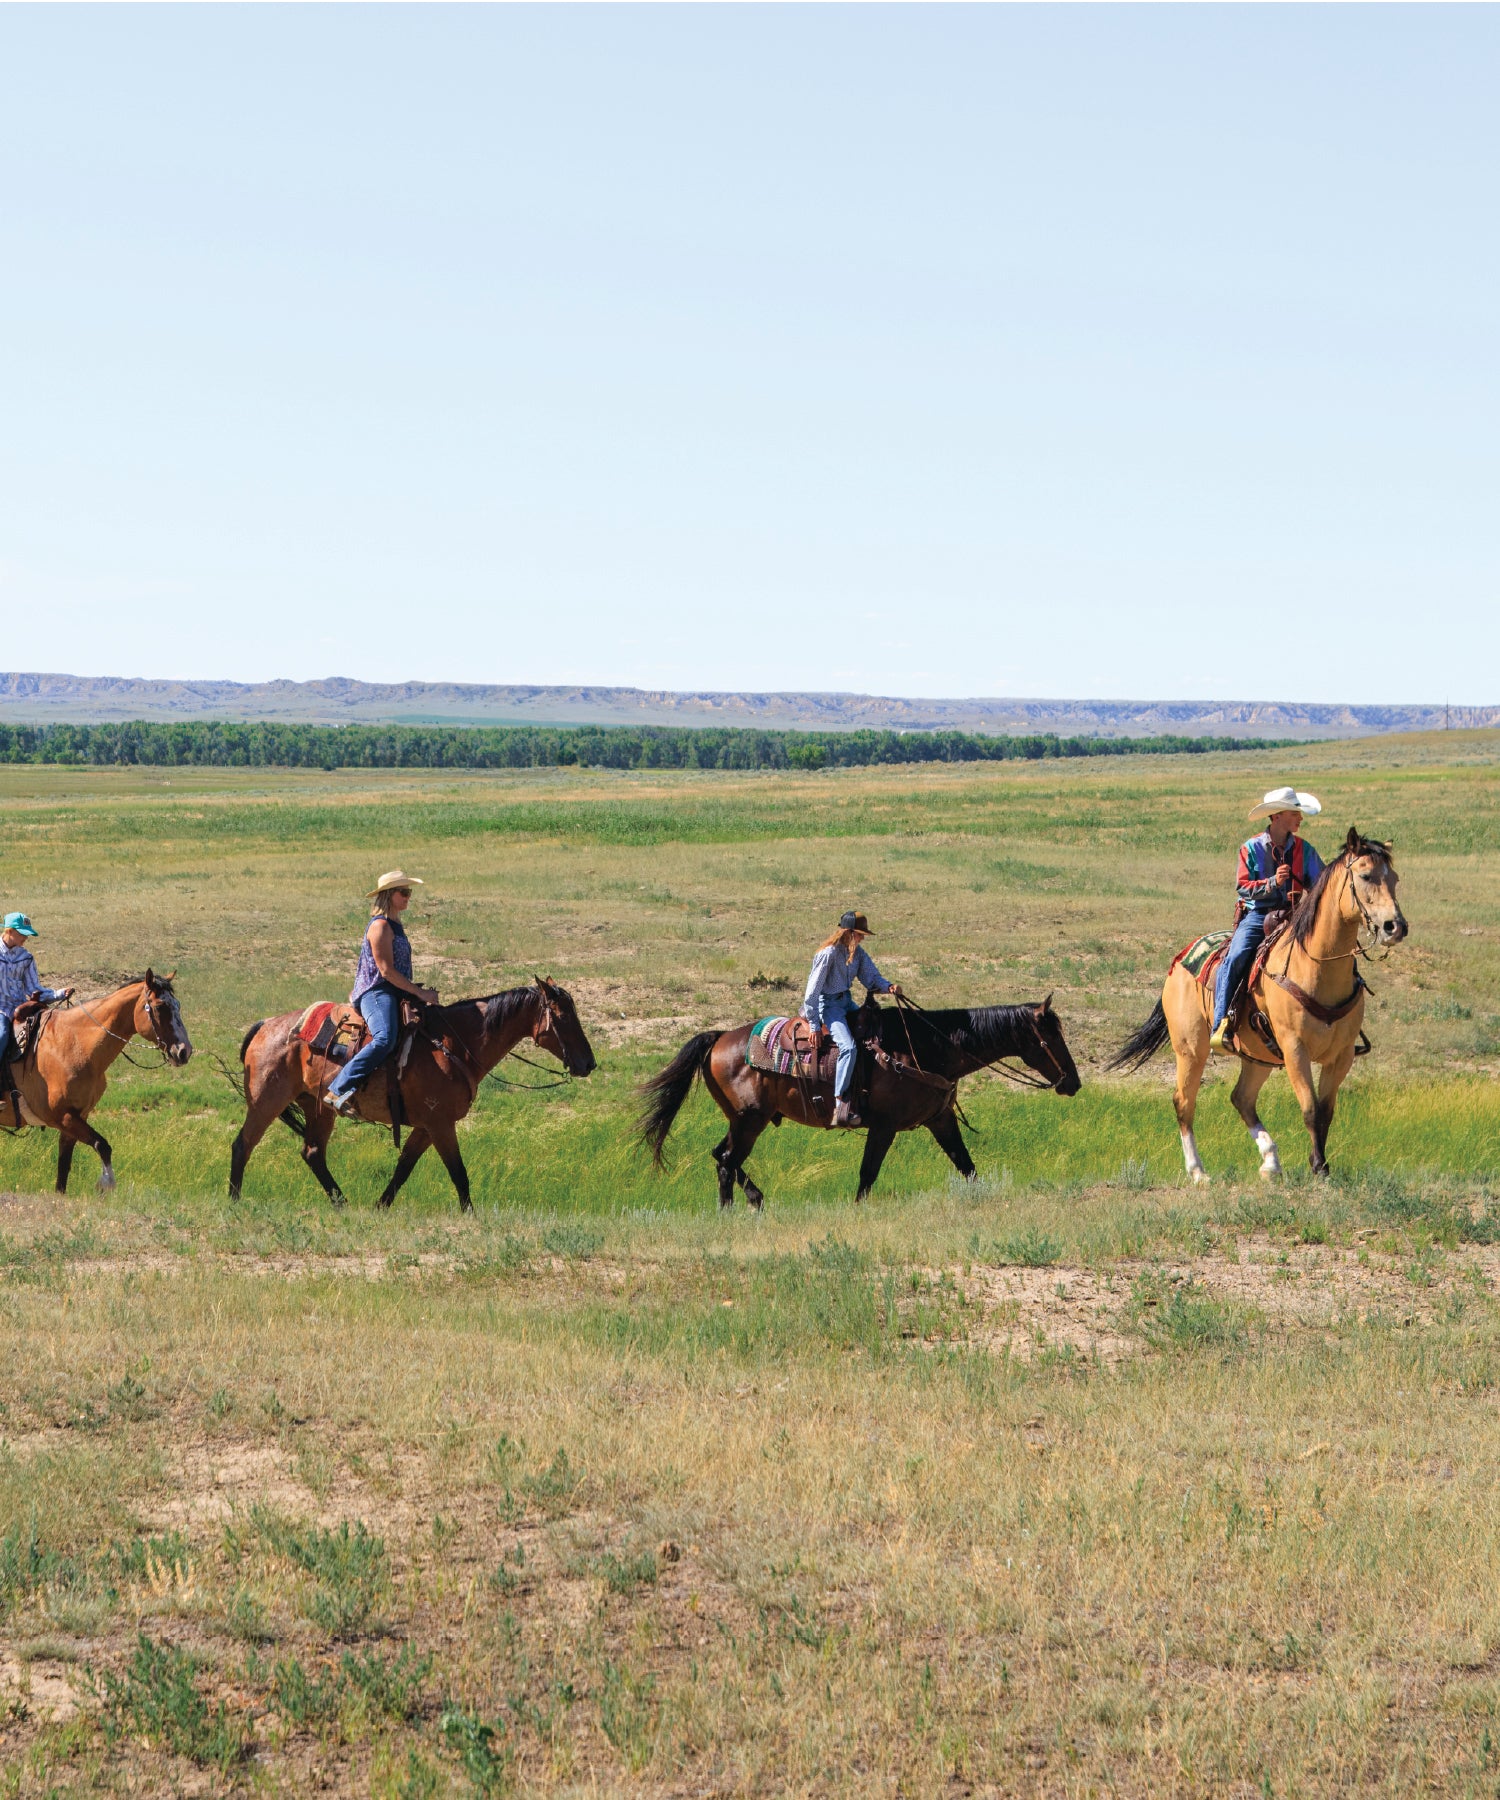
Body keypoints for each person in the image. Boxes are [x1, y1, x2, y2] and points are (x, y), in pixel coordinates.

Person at [1210, 788, 1325, 1053]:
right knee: (1237, 955)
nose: (1300, 818)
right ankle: (1221, 1024)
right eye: (1295, 812)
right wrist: (1273, 883)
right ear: (1277, 816)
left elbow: (1320, 884)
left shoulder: (1304, 850)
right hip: (1259, 915)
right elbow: (1243, 887)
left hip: (1295, 914)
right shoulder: (1250, 848)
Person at [325, 871, 439, 1117]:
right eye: (404, 892)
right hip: (377, 991)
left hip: (394, 990)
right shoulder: (380, 926)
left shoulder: (396, 925)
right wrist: (420, 991)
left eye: (409, 892)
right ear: (389, 895)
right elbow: (386, 971)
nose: (409, 897)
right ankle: (338, 1088)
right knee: (385, 1038)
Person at [801, 910, 903, 1128]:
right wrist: (814, 1025)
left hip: (846, 1001)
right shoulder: (827, 954)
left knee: (872, 1038)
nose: (862, 938)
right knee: (848, 1047)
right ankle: (840, 1103)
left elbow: (871, 977)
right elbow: (811, 993)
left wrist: (889, 987)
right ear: (847, 932)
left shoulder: (857, 953)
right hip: (828, 1006)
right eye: (859, 934)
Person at [0, 912, 73, 1106]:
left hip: (19, 1008)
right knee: (1, 1035)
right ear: (9, 931)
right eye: (22, 933)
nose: (25, 938)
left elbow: (34, 988)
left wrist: (58, 994)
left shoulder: (26, 958)